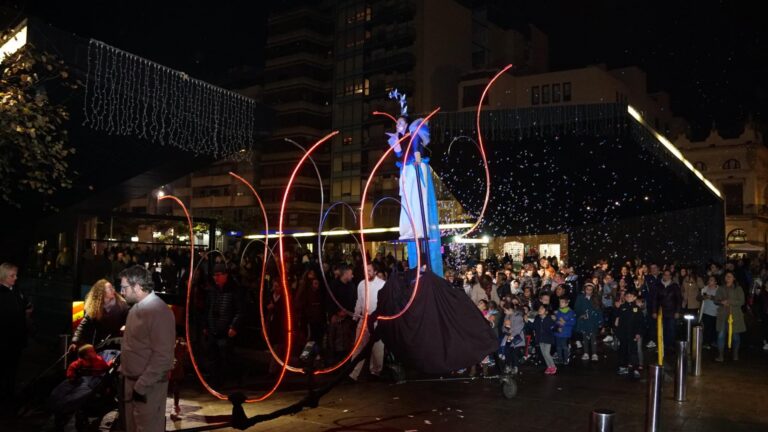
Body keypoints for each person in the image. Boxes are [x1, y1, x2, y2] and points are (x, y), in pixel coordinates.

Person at [385, 89, 443, 275]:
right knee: (407, 202)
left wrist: (417, 162)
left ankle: (419, 228)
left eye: (400, 122)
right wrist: (395, 147)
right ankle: (409, 228)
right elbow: (401, 156)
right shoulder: (401, 139)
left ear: (406, 123)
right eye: (397, 123)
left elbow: (416, 150)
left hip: (415, 169)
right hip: (406, 171)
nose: (398, 125)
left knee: (417, 201)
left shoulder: (413, 132)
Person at [119, 265, 175, 432]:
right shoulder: (135, 309)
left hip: (148, 387)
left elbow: (163, 357)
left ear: (137, 287)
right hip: (133, 383)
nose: (121, 292)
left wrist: (141, 386)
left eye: (124, 287)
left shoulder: (159, 311)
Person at [0, 262, 32, 417]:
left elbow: (26, 304)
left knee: (13, 369)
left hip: (16, 337)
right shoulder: (3, 293)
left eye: (16, 275)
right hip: (5, 338)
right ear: (3, 277)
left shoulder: (16, 291)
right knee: (6, 369)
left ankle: (10, 396)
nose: (16, 278)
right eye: (12, 275)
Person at [203, 264, 243, 385]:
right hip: (213, 329)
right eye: (214, 275)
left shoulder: (235, 290)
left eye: (218, 275)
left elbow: (240, 310)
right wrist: (206, 325)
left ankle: (228, 380)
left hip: (226, 331)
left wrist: (234, 326)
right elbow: (207, 308)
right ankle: (215, 380)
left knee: (226, 356)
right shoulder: (213, 290)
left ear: (225, 275)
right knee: (213, 356)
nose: (216, 278)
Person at [349, 263, 386, 381]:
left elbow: (384, 304)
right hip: (363, 320)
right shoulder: (361, 284)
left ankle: (375, 372)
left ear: (375, 272)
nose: (367, 272)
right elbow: (359, 302)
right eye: (366, 270)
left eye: (369, 270)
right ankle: (353, 374)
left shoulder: (382, 284)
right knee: (358, 347)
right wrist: (355, 317)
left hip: (376, 321)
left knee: (377, 348)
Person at [70, 279, 129, 351]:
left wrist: (126, 327)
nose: (113, 289)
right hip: (99, 346)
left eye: (112, 287)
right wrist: (75, 342)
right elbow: (82, 326)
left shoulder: (122, 306)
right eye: (109, 288)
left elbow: (132, 321)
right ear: (101, 292)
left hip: (116, 345)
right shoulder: (95, 309)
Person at [715, 271, 746, 362]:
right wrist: (721, 302)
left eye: (730, 276)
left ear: (734, 278)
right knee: (721, 335)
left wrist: (729, 301)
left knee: (735, 336)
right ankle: (720, 355)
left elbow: (742, 301)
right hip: (723, 315)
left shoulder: (738, 288)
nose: (728, 278)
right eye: (726, 276)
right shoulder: (721, 288)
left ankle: (735, 354)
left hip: (735, 315)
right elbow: (716, 300)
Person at [615, 288, 644, 379]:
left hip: (633, 333)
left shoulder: (637, 309)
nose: (628, 297)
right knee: (623, 350)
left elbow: (640, 322)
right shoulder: (622, 307)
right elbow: (618, 320)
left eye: (631, 296)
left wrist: (638, 333)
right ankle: (623, 366)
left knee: (633, 351)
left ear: (635, 297)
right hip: (623, 333)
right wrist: (618, 332)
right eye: (627, 296)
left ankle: (635, 368)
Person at [575, 283, 602, 361]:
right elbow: (577, 308)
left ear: (593, 291)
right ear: (584, 289)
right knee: (585, 337)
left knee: (593, 337)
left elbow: (599, 310)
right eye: (587, 289)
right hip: (584, 321)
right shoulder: (580, 298)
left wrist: (600, 322)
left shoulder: (595, 298)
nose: (589, 291)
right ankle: (586, 353)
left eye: (590, 290)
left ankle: (594, 353)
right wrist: (581, 315)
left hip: (593, 321)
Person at [532, 303, 557, 374]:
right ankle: (549, 367)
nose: (540, 310)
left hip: (548, 338)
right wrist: (528, 322)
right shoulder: (537, 319)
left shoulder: (549, 319)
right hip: (540, 338)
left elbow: (554, 327)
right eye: (539, 308)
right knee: (544, 353)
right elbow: (534, 326)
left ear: (546, 311)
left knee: (546, 353)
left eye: (542, 309)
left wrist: (555, 324)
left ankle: (553, 366)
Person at [697, 275, 719, 348]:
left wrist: (712, 297)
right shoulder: (705, 289)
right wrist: (703, 297)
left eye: (712, 280)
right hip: (706, 312)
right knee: (706, 328)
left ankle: (713, 342)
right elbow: (698, 297)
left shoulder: (719, 289)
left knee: (714, 328)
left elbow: (721, 299)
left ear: (715, 282)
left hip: (716, 312)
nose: (710, 281)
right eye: (709, 280)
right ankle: (706, 343)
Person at [554, 296, 576, 365]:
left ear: (567, 304)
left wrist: (565, 322)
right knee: (558, 346)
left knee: (564, 346)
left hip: (565, 333)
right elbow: (556, 321)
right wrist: (555, 320)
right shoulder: (557, 311)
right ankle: (560, 359)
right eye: (560, 302)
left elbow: (573, 322)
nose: (560, 304)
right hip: (558, 332)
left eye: (562, 302)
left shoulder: (571, 312)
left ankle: (566, 359)